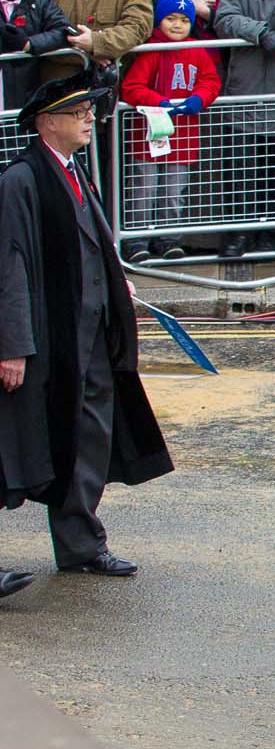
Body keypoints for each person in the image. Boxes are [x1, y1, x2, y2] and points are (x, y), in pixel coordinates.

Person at [0, 73, 173, 598]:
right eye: (77, 114)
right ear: (46, 122)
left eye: (87, 112)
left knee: (91, 437)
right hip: (46, 341)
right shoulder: (21, 181)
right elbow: (8, 267)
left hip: (90, 333)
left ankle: (80, 544)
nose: (88, 120)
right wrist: (12, 346)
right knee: (17, 448)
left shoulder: (76, 173)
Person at [116, 0, 220, 263]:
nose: (177, 25)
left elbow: (210, 81)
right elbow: (131, 88)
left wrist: (198, 99)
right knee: (144, 189)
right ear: (159, 21)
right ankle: (136, 240)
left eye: (184, 20)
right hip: (148, 135)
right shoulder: (150, 50)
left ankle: (169, 238)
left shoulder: (196, 50)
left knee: (174, 192)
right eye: (170, 19)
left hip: (183, 136)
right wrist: (159, 101)